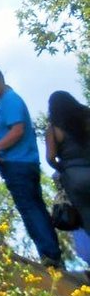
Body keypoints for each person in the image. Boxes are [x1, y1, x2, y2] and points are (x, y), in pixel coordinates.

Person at [0, 63, 62, 267]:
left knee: (30, 209)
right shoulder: (3, 102)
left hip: (19, 164)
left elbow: (18, 130)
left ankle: (50, 255)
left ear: (0, 78)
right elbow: (1, 127)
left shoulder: (10, 100)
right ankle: (50, 253)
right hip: (22, 164)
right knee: (35, 208)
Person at [46, 90, 90, 234]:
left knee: (86, 216)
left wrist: (62, 168)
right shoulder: (87, 117)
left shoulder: (53, 129)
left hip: (74, 178)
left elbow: (50, 158)